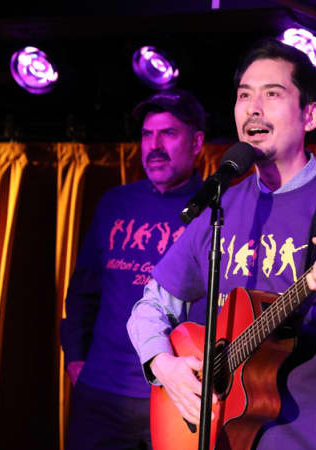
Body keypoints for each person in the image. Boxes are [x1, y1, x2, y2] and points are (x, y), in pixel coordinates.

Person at [126, 39, 316, 450]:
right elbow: (149, 307)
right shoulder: (221, 207)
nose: (254, 107)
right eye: (244, 96)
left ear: (310, 115)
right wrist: (164, 365)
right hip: (226, 439)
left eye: (272, 94)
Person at [60, 89, 206, 450]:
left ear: (197, 142)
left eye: (169, 133)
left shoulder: (216, 211)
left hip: (173, 394)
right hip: (101, 393)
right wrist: (76, 359)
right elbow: (84, 290)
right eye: (146, 134)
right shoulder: (116, 202)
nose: (154, 145)